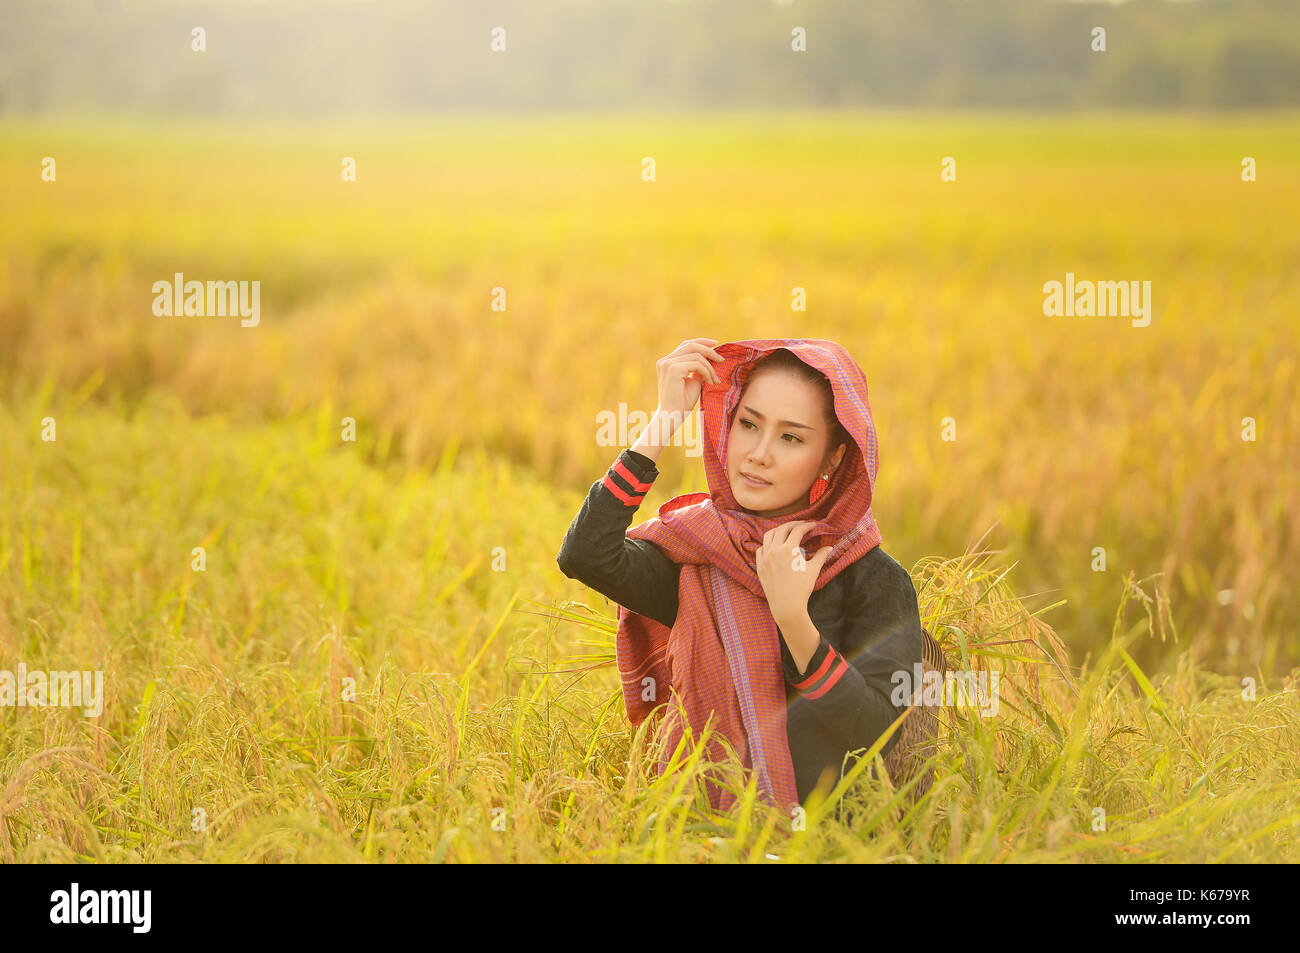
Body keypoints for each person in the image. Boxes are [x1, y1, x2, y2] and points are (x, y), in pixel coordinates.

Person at [556, 337, 925, 818]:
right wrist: (666, 417)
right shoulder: (699, 555)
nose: (758, 454)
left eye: (790, 437)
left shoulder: (871, 576)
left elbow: (876, 732)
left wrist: (794, 621)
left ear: (833, 459)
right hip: (697, 838)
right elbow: (585, 555)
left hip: (827, 850)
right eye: (748, 424)